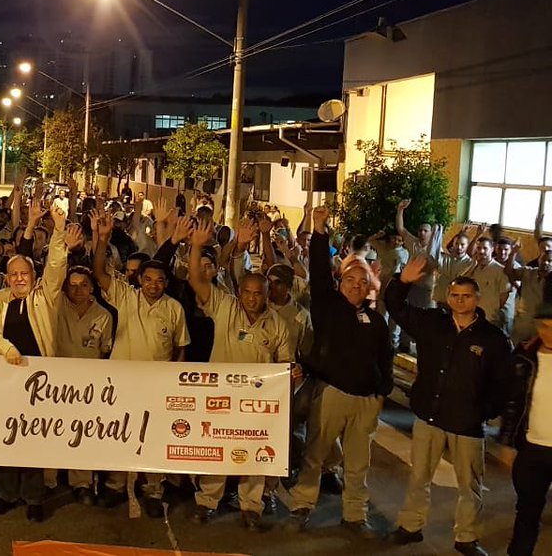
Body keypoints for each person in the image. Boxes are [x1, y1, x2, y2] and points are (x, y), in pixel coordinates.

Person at [385, 255, 509, 556]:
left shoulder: (493, 339)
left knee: (469, 486)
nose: (459, 301)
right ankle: (410, 526)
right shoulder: (434, 323)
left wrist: (482, 412)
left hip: (467, 425)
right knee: (419, 478)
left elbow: (504, 384)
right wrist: (402, 281)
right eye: (454, 295)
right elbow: (396, 308)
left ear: (477, 298)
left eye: (466, 296)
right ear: (448, 296)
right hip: (429, 417)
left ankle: (466, 537)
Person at [287, 205, 394, 536]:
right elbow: (319, 270)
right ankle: (302, 505)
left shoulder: (376, 320)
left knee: (358, 463)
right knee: (315, 454)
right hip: (331, 393)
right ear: (340, 281)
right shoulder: (327, 305)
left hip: (366, 401)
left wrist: (382, 391)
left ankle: (355, 514)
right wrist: (320, 230)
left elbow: (385, 357)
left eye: (362, 281)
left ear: (369, 286)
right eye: (350, 279)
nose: (356, 286)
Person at [188, 218, 293, 532]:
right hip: (220, 399)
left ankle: (251, 506)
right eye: (246, 292)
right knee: (217, 449)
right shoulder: (224, 306)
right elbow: (196, 280)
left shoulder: (278, 325)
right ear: (239, 292)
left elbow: (285, 366)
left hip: (257, 404)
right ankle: (207, 501)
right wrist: (196, 246)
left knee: (254, 453)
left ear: (267, 295)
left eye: (258, 293)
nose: (251, 298)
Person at [0, 204, 73, 523]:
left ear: (34, 276)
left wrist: (58, 229)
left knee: (33, 440)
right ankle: (6, 494)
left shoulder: (45, 297)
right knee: (6, 436)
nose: (19, 278)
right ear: (7, 278)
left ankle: (33, 497)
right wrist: (6, 349)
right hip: (6, 381)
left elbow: (57, 265)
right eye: (14, 274)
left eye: (25, 273)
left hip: (40, 384)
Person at [92, 210, 189, 515]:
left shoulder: (174, 309)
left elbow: (180, 348)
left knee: (154, 437)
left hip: (156, 388)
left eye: (159, 281)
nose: (153, 285)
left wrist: (173, 381)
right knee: (119, 433)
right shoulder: (125, 296)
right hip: (122, 385)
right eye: (148, 279)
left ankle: (153, 490)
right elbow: (99, 272)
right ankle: (115, 485)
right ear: (140, 280)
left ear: (166, 283)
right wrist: (103, 239)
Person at [49, 265, 113, 505]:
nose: (78, 290)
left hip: (88, 385)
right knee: (50, 430)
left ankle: (82, 483)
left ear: (92, 288)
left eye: (84, 285)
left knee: (83, 432)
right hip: (55, 382)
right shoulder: (55, 307)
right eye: (73, 285)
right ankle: (49, 480)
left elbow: (105, 351)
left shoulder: (103, 316)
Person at [497, 305, 552, 556]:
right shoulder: (526, 357)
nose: (548, 333)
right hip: (532, 449)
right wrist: (507, 442)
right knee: (528, 511)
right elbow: (513, 402)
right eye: (543, 326)